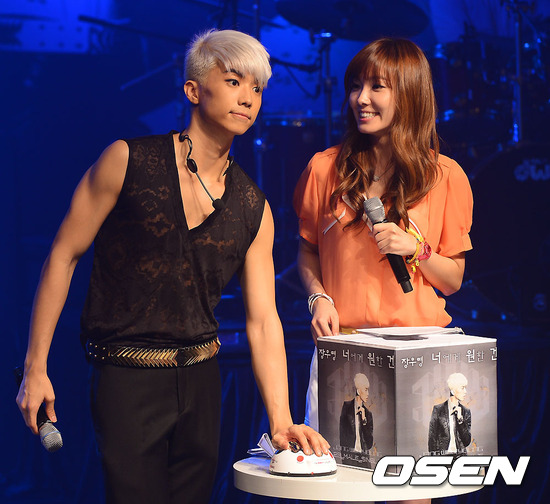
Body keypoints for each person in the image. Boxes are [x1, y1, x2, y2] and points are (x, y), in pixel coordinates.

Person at [16, 29, 329, 504]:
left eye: (257, 88)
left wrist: (281, 418)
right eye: (233, 81)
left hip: (202, 383)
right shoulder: (127, 161)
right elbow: (63, 255)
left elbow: (264, 319)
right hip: (126, 376)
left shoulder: (254, 206)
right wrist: (34, 368)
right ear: (193, 90)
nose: (247, 98)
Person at [294, 37, 473, 504]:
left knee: (409, 494)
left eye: (377, 86)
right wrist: (318, 297)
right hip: (344, 349)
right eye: (356, 86)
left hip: (417, 352)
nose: (361, 98)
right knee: (339, 490)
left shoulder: (445, 176)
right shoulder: (324, 169)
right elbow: (307, 253)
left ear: (409, 93)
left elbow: (453, 279)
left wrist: (416, 249)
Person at [428, 372, 472, 457]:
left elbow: (467, 441)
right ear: (453, 391)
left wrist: (460, 420)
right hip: (443, 458)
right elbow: (432, 438)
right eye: (462, 388)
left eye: (465, 388)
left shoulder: (466, 412)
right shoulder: (438, 410)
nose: (465, 392)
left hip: (460, 458)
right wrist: (433, 460)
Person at [339, 373, 373, 455]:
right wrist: (344, 455)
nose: (368, 394)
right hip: (349, 455)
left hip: (363, 456)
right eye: (365, 390)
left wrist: (364, 419)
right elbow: (342, 433)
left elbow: (369, 443)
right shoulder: (347, 407)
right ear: (358, 391)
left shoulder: (368, 414)